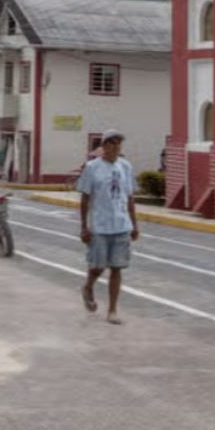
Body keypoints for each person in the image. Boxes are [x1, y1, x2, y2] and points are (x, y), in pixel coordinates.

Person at [77, 130, 138, 324]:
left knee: (117, 268)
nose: (116, 147)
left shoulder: (125, 167)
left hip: (121, 225)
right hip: (99, 226)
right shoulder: (92, 167)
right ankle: (88, 286)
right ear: (103, 146)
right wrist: (84, 227)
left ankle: (112, 310)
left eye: (119, 143)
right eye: (112, 143)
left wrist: (134, 224)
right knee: (98, 266)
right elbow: (85, 198)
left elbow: (129, 197)